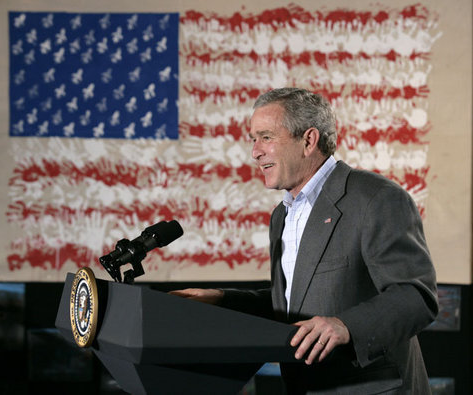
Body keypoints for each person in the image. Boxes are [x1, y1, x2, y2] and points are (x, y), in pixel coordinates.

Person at [170, 88, 438, 394]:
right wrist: (222, 299)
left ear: (308, 141)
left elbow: (415, 296)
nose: (255, 152)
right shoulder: (281, 216)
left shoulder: (376, 198)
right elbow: (294, 305)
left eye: (266, 137)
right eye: (253, 139)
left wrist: (345, 325)